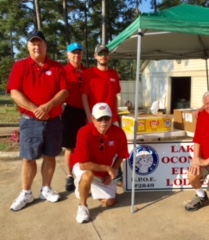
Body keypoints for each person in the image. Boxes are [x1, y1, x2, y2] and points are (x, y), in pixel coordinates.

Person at [7, 30, 69, 211]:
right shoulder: (20, 66)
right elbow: (14, 92)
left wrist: (47, 106)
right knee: (28, 158)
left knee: (50, 156)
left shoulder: (57, 67)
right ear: (28, 47)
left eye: (40, 43)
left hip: (54, 120)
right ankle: (26, 193)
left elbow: (64, 91)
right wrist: (37, 110)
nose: (36, 47)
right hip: (30, 121)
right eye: (33, 44)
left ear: (45, 46)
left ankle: (46, 188)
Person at [71, 102, 129, 224]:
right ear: (93, 119)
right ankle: (83, 206)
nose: (103, 122)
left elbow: (122, 155)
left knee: (110, 203)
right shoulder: (84, 132)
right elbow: (83, 165)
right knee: (88, 175)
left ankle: (89, 189)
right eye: (99, 119)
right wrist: (108, 168)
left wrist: (110, 173)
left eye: (107, 118)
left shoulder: (119, 133)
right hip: (84, 167)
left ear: (111, 118)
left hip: (104, 172)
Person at [82, 44, 123, 186]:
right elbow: (84, 97)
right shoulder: (88, 74)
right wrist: (89, 117)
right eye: (100, 54)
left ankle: (117, 176)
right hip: (96, 119)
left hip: (112, 119)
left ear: (109, 56)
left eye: (105, 54)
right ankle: (95, 179)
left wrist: (117, 116)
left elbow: (117, 98)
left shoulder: (114, 75)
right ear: (95, 56)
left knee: (117, 149)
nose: (103, 56)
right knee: (96, 148)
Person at [62, 43, 87, 192]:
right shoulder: (63, 71)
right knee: (70, 146)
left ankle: (83, 172)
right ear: (68, 55)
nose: (76, 56)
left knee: (84, 144)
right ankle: (70, 175)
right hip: (70, 111)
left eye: (79, 53)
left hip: (86, 111)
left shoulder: (88, 72)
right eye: (73, 53)